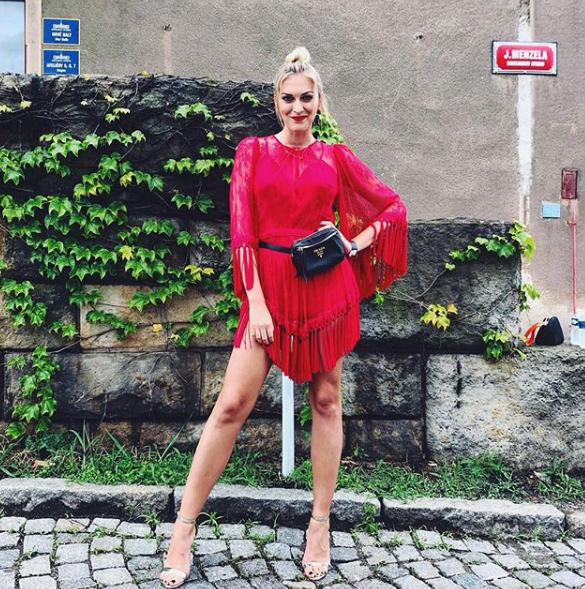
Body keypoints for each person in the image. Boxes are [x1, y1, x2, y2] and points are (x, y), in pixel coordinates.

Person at [159, 46, 408, 587]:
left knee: (327, 401)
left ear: (319, 102)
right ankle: (183, 528)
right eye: (289, 98)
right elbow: (242, 232)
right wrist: (257, 303)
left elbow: (392, 208)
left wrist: (352, 243)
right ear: (277, 102)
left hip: (324, 290)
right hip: (266, 289)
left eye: (306, 98)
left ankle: (319, 525)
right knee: (231, 405)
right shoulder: (251, 152)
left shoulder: (335, 157)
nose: (298, 107)